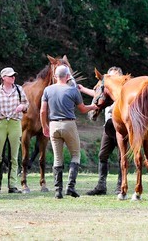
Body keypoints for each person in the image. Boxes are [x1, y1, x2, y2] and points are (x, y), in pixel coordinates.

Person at [41, 65, 98, 199]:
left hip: (53, 124)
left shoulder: (47, 90)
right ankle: (70, 187)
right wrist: (94, 106)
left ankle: (57, 191)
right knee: (75, 154)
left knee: (57, 157)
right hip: (69, 124)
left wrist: (44, 126)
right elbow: (83, 109)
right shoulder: (73, 90)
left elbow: (43, 111)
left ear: (55, 77)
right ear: (67, 77)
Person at [77, 66, 124, 195]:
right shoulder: (107, 91)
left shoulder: (123, 92)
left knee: (122, 157)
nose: (110, 79)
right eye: (109, 76)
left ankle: (120, 186)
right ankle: (101, 186)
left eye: (113, 76)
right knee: (102, 155)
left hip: (122, 128)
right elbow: (98, 93)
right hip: (108, 127)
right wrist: (83, 89)